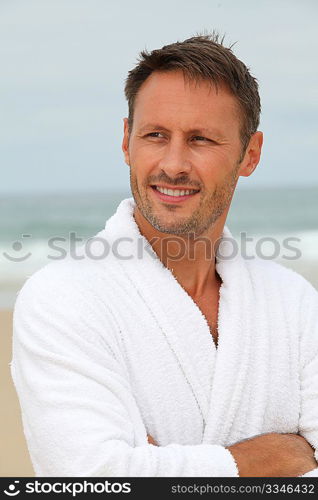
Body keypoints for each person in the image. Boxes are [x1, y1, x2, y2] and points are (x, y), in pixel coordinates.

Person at [11, 34, 318, 477]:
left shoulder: (295, 303)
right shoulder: (63, 298)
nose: (173, 164)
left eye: (201, 140)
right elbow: (91, 478)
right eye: (155, 135)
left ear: (250, 154)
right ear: (126, 141)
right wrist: (267, 459)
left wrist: (156, 463)